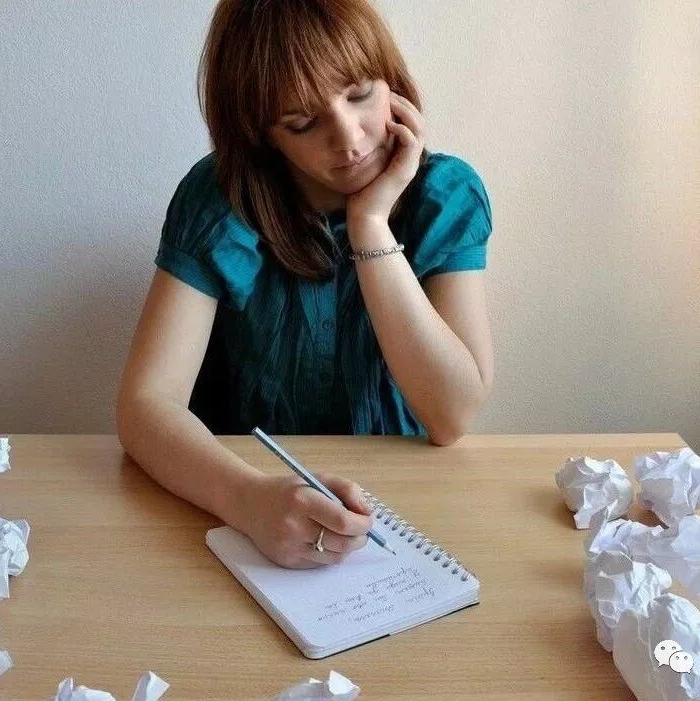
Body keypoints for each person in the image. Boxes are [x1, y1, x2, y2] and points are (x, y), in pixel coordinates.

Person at [116, 0, 494, 569]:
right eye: (302, 122)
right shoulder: (219, 202)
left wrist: (370, 224)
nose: (350, 139)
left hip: (411, 508)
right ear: (262, 134)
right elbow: (145, 406)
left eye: (361, 93)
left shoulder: (445, 195)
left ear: (391, 82)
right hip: (241, 502)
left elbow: (452, 415)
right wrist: (246, 498)